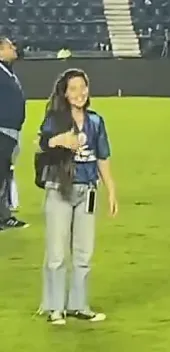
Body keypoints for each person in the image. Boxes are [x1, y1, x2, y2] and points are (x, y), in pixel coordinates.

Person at [37, 68, 117, 325]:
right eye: (73, 89)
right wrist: (60, 140)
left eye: (83, 87)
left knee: (84, 253)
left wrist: (112, 190)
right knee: (57, 253)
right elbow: (42, 142)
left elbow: (102, 157)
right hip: (60, 189)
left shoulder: (96, 121)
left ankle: (79, 305)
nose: (79, 93)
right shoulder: (55, 119)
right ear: (64, 92)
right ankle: (54, 307)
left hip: (88, 191)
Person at [0, 37, 28, 230]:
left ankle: (4, 216)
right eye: (9, 46)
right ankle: (3, 217)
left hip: (10, 132)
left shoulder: (7, 72)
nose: (14, 48)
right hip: (2, 131)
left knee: (4, 175)